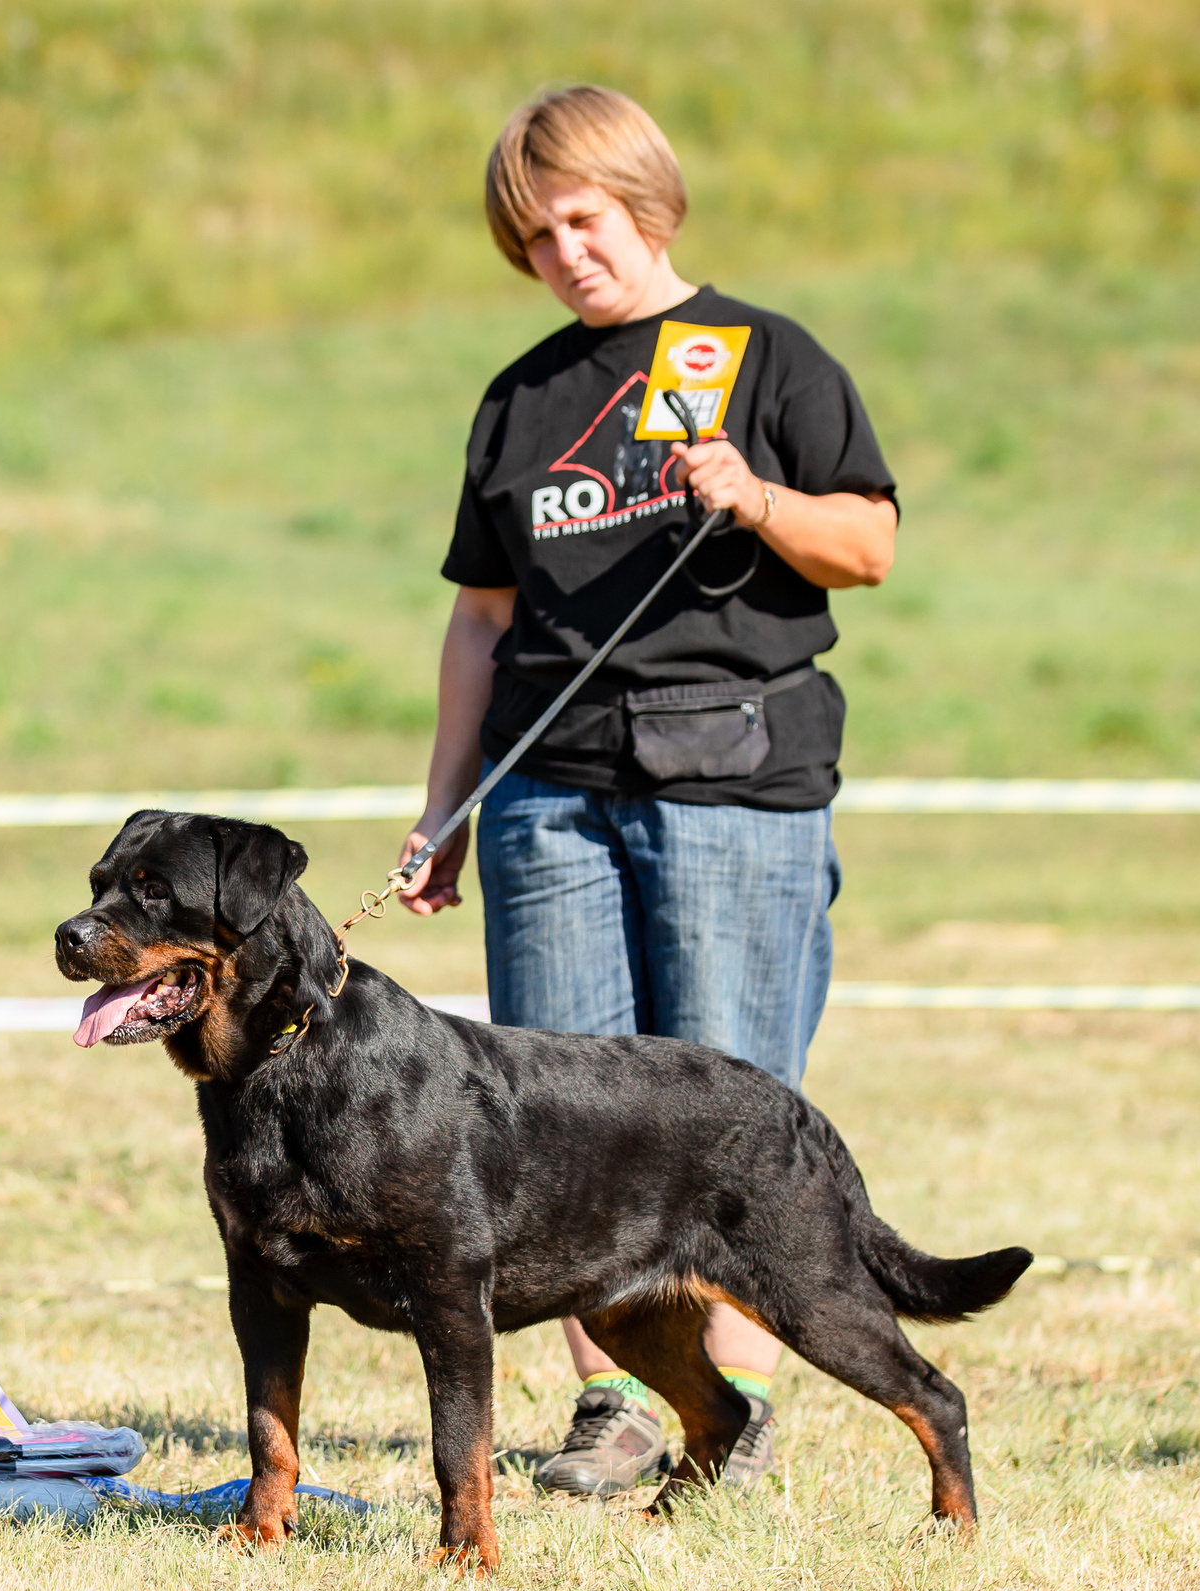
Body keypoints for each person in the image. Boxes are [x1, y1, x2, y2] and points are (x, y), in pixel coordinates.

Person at [398, 85, 899, 1499]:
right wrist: (444, 809)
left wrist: (758, 498)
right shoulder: (520, 399)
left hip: (734, 785)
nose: (565, 254)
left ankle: (734, 1412)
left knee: (728, 1109)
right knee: (556, 1121)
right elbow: (480, 620)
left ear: (646, 203)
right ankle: (615, 1408)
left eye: (584, 219)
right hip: (548, 797)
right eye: (535, 237)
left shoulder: (767, 357)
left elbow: (868, 544)